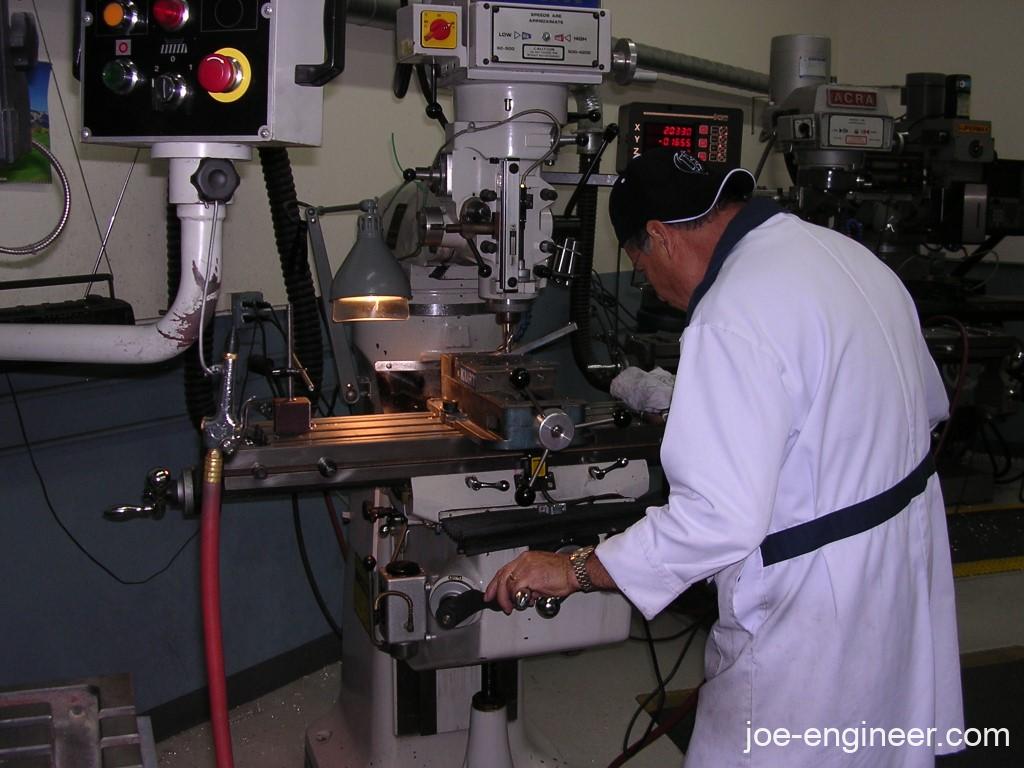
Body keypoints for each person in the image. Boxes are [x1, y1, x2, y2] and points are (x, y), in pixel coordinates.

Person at [485, 147, 964, 766]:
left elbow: (716, 520)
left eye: (639, 265)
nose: (651, 285)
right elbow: (919, 404)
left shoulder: (732, 310)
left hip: (812, 613)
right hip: (898, 569)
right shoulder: (843, 255)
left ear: (658, 238)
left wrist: (576, 569)